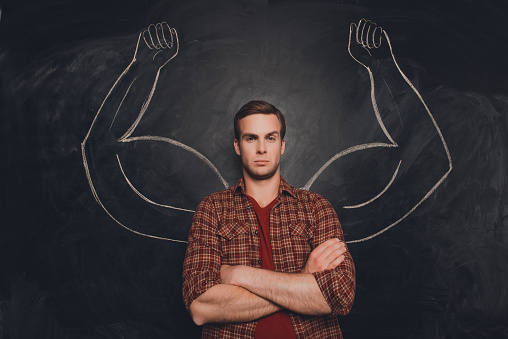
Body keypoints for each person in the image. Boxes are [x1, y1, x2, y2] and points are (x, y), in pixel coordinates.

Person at [182, 100, 355, 338]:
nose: (261, 148)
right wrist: (303, 280)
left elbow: (338, 295)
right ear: (237, 146)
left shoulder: (316, 207)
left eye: (270, 138)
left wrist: (240, 274)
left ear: (282, 145)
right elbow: (201, 307)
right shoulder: (213, 209)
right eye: (251, 138)